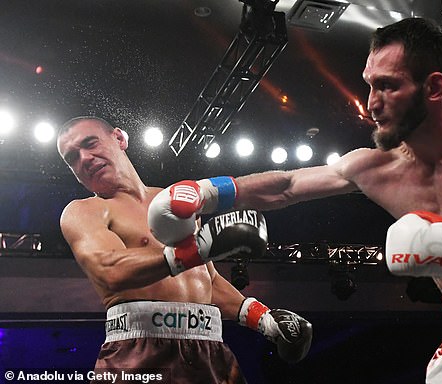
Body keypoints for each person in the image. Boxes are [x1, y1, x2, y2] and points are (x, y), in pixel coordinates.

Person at [149, 17, 442, 383]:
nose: (371, 103)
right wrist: (208, 191)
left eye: (388, 87)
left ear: (434, 88)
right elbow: (286, 185)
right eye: (369, 85)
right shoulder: (376, 167)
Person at [57, 116, 312, 384]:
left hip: (210, 350)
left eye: (90, 143)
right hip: (139, 353)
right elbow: (110, 269)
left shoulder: (175, 200)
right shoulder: (83, 211)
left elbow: (206, 279)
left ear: (119, 139)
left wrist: (264, 319)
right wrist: (196, 250)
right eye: (72, 157)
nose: (84, 158)